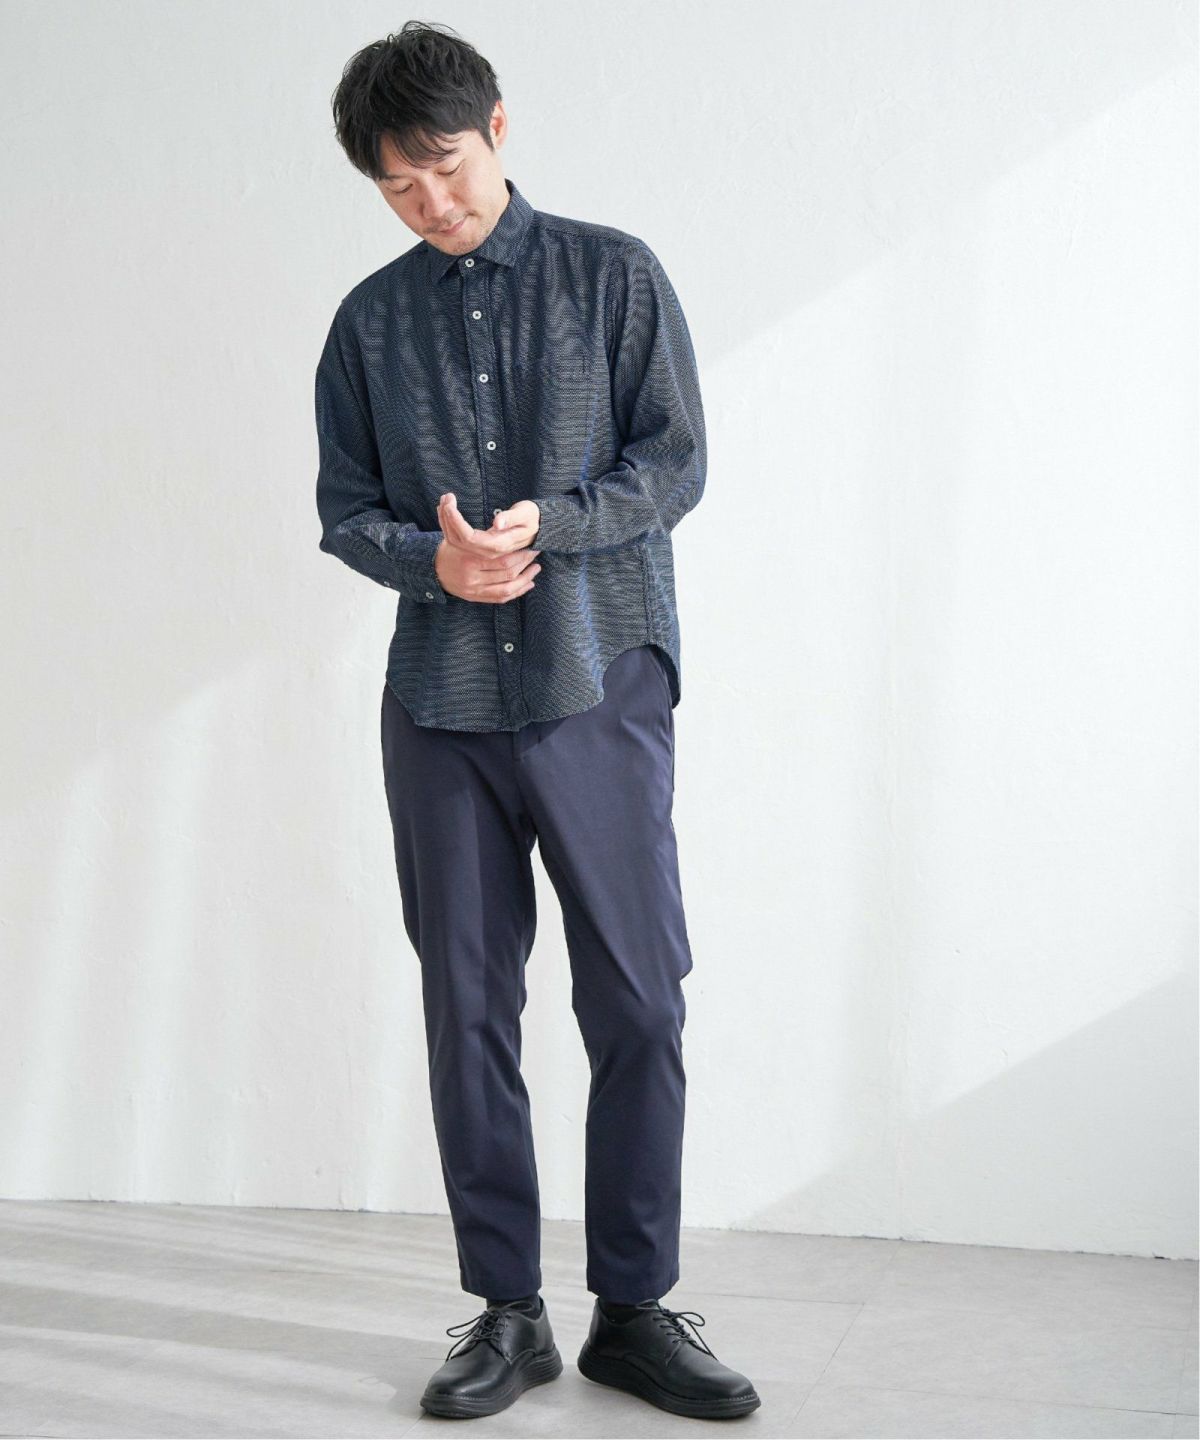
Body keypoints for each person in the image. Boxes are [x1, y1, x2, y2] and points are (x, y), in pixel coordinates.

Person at [315, 20, 760, 1423]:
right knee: (468, 1006)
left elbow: (673, 462)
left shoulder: (612, 276)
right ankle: (506, 1313)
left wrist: (549, 527)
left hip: (596, 681)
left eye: (444, 167)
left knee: (638, 994)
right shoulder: (367, 326)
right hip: (440, 707)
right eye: (397, 187)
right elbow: (345, 511)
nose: (429, 203)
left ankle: (634, 1309)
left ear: (497, 129)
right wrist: (431, 562)